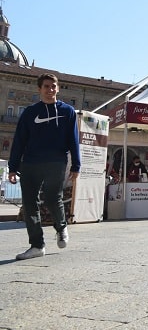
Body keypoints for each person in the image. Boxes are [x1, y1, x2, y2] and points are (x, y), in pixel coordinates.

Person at [8, 73, 81, 261]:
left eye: (53, 86)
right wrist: (13, 166)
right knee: (30, 204)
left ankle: (61, 227)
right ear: (39, 89)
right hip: (30, 163)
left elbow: (74, 140)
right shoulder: (30, 113)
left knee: (51, 197)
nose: (50, 90)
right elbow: (19, 141)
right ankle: (37, 245)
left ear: (58, 88)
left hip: (56, 161)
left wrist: (76, 165)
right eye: (46, 86)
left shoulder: (68, 111)